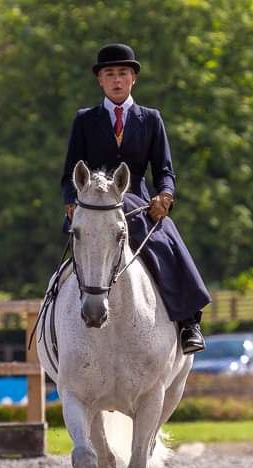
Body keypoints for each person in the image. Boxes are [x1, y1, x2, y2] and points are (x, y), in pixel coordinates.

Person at [60, 43, 210, 354]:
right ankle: (53, 315)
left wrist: (165, 196)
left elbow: (165, 170)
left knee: (171, 244)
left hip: (139, 203)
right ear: (100, 80)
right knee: (67, 261)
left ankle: (190, 322)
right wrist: (71, 201)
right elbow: (68, 173)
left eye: (123, 74)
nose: (117, 80)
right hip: (93, 206)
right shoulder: (85, 119)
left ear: (133, 79)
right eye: (110, 74)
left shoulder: (151, 119)